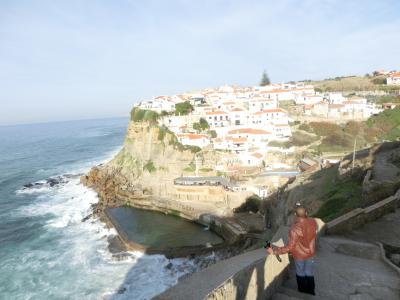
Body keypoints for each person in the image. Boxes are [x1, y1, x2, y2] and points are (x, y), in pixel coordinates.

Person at [267, 204, 318, 295]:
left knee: (300, 272)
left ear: (295, 215)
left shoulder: (294, 229)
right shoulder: (313, 222)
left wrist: (275, 251)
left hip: (300, 255)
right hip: (310, 252)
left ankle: (302, 291)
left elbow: (290, 247)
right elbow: (314, 232)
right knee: (309, 272)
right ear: (306, 213)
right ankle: (311, 291)